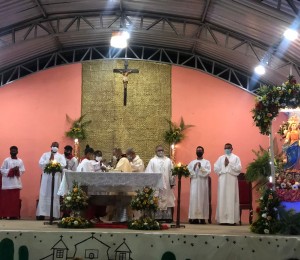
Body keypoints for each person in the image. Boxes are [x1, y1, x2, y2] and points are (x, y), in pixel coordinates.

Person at [36, 141, 66, 220]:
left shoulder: (61, 156)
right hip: (46, 177)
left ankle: (54, 214)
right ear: (51, 146)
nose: (54, 147)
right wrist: (49, 161)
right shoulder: (45, 154)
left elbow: (63, 165)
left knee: (55, 193)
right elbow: (40, 163)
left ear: (58, 147)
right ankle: (42, 213)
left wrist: (56, 165)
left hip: (56, 177)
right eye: (53, 145)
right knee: (44, 193)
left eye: (56, 146)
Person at [145, 145, 175, 222]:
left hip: (167, 184)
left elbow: (172, 172)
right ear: (156, 152)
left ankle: (167, 217)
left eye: (162, 150)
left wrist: (172, 182)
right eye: (159, 150)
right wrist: (150, 183)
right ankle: (157, 217)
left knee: (167, 199)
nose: (161, 151)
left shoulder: (168, 160)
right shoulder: (152, 161)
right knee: (157, 199)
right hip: (156, 185)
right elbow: (148, 173)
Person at [214, 143, 241, 225]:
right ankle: (222, 220)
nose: (227, 149)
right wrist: (223, 168)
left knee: (231, 198)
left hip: (231, 180)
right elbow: (216, 168)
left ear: (232, 148)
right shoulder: (220, 158)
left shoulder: (236, 158)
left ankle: (231, 220)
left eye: (228, 148)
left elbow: (239, 168)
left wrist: (229, 164)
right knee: (222, 197)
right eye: (225, 148)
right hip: (222, 180)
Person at [0, 146, 25, 219]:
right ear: (10, 152)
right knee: (7, 201)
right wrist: (11, 170)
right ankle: (5, 215)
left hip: (16, 183)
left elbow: (23, 170)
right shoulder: (6, 160)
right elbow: (2, 170)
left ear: (17, 151)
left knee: (14, 201)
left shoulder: (20, 161)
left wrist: (17, 170)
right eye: (12, 150)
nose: (13, 152)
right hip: (7, 184)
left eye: (15, 150)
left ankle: (13, 215)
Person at [188, 146, 211, 224]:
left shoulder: (207, 162)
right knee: (194, 199)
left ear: (203, 152)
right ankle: (193, 218)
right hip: (194, 183)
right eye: (197, 150)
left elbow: (207, 172)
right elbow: (188, 173)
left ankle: (202, 218)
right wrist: (194, 169)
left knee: (202, 199)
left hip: (202, 183)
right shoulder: (192, 162)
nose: (199, 151)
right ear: (196, 152)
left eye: (200, 150)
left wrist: (201, 167)